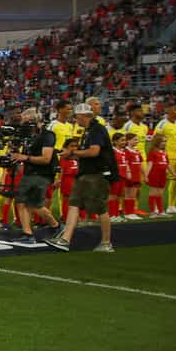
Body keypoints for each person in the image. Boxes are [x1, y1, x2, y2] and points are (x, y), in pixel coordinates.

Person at [47, 103, 115, 252]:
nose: (75, 119)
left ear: (82, 116)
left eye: (76, 116)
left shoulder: (96, 130)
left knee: (100, 208)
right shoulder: (89, 130)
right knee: (74, 204)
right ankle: (65, 239)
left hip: (96, 174)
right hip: (85, 173)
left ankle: (106, 243)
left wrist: (73, 154)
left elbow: (94, 152)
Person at [3, 107, 58, 248]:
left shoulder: (47, 135)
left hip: (41, 173)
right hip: (30, 172)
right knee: (22, 202)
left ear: (34, 121)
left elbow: (46, 158)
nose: (23, 124)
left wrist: (25, 157)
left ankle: (55, 226)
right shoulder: (29, 136)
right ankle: (29, 234)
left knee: (32, 204)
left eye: (26, 121)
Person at [153, 103, 176, 214]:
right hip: (166, 157)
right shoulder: (162, 124)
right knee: (160, 182)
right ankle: (156, 206)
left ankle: (171, 206)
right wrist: (159, 155)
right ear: (169, 111)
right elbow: (155, 139)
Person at [145, 132, 170, 217]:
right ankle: (152, 211)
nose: (164, 143)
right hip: (154, 175)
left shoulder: (164, 152)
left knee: (160, 193)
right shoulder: (153, 152)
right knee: (153, 193)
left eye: (165, 141)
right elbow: (149, 165)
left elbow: (167, 164)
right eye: (163, 141)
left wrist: (174, 173)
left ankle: (161, 211)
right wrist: (146, 175)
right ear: (157, 142)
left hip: (163, 175)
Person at [108, 133, 130, 222]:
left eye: (125, 140)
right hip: (115, 176)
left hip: (122, 176)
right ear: (115, 141)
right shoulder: (112, 151)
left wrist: (128, 172)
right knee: (112, 196)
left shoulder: (123, 151)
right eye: (122, 140)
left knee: (118, 196)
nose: (124, 142)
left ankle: (116, 214)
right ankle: (111, 215)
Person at [122, 133, 144, 220]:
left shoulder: (137, 151)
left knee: (133, 195)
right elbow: (126, 163)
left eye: (137, 139)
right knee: (128, 194)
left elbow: (140, 164)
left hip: (136, 176)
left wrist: (144, 174)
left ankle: (130, 212)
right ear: (128, 141)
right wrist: (128, 172)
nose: (137, 141)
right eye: (135, 139)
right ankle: (128, 213)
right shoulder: (126, 151)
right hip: (130, 176)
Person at [58, 137, 80, 221]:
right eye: (72, 146)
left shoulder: (79, 156)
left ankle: (78, 217)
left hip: (78, 179)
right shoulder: (64, 156)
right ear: (66, 147)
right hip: (68, 180)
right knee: (67, 199)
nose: (74, 148)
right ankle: (66, 217)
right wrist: (59, 180)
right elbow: (62, 170)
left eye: (76, 146)